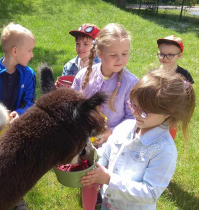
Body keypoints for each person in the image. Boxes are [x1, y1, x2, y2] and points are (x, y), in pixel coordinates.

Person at [81, 70, 195, 210]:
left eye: (143, 111)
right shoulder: (125, 127)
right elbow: (106, 152)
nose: (135, 112)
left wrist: (109, 179)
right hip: (108, 204)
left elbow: (150, 192)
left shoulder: (164, 150)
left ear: (169, 112)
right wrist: (90, 162)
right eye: (133, 105)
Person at [71, 23, 139, 209]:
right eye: (114, 54)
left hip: (115, 144)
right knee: (89, 180)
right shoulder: (85, 75)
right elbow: (73, 103)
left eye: (125, 53)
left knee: (107, 184)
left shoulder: (131, 83)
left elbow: (133, 118)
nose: (120, 59)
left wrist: (111, 132)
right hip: (86, 140)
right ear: (100, 54)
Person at [0, 22, 36, 210]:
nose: (32, 54)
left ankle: (16, 197)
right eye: (29, 50)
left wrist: (18, 113)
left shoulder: (28, 74)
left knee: (17, 165)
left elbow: (30, 102)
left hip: (17, 128)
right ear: (14, 51)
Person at [156, 35, 194, 140]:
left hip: (172, 115)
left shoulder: (183, 74)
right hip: (155, 112)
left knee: (167, 138)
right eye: (162, 54)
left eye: (170, 55)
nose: (165, 58)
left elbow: (189, 95)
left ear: (180, 55)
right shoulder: (154, 74)